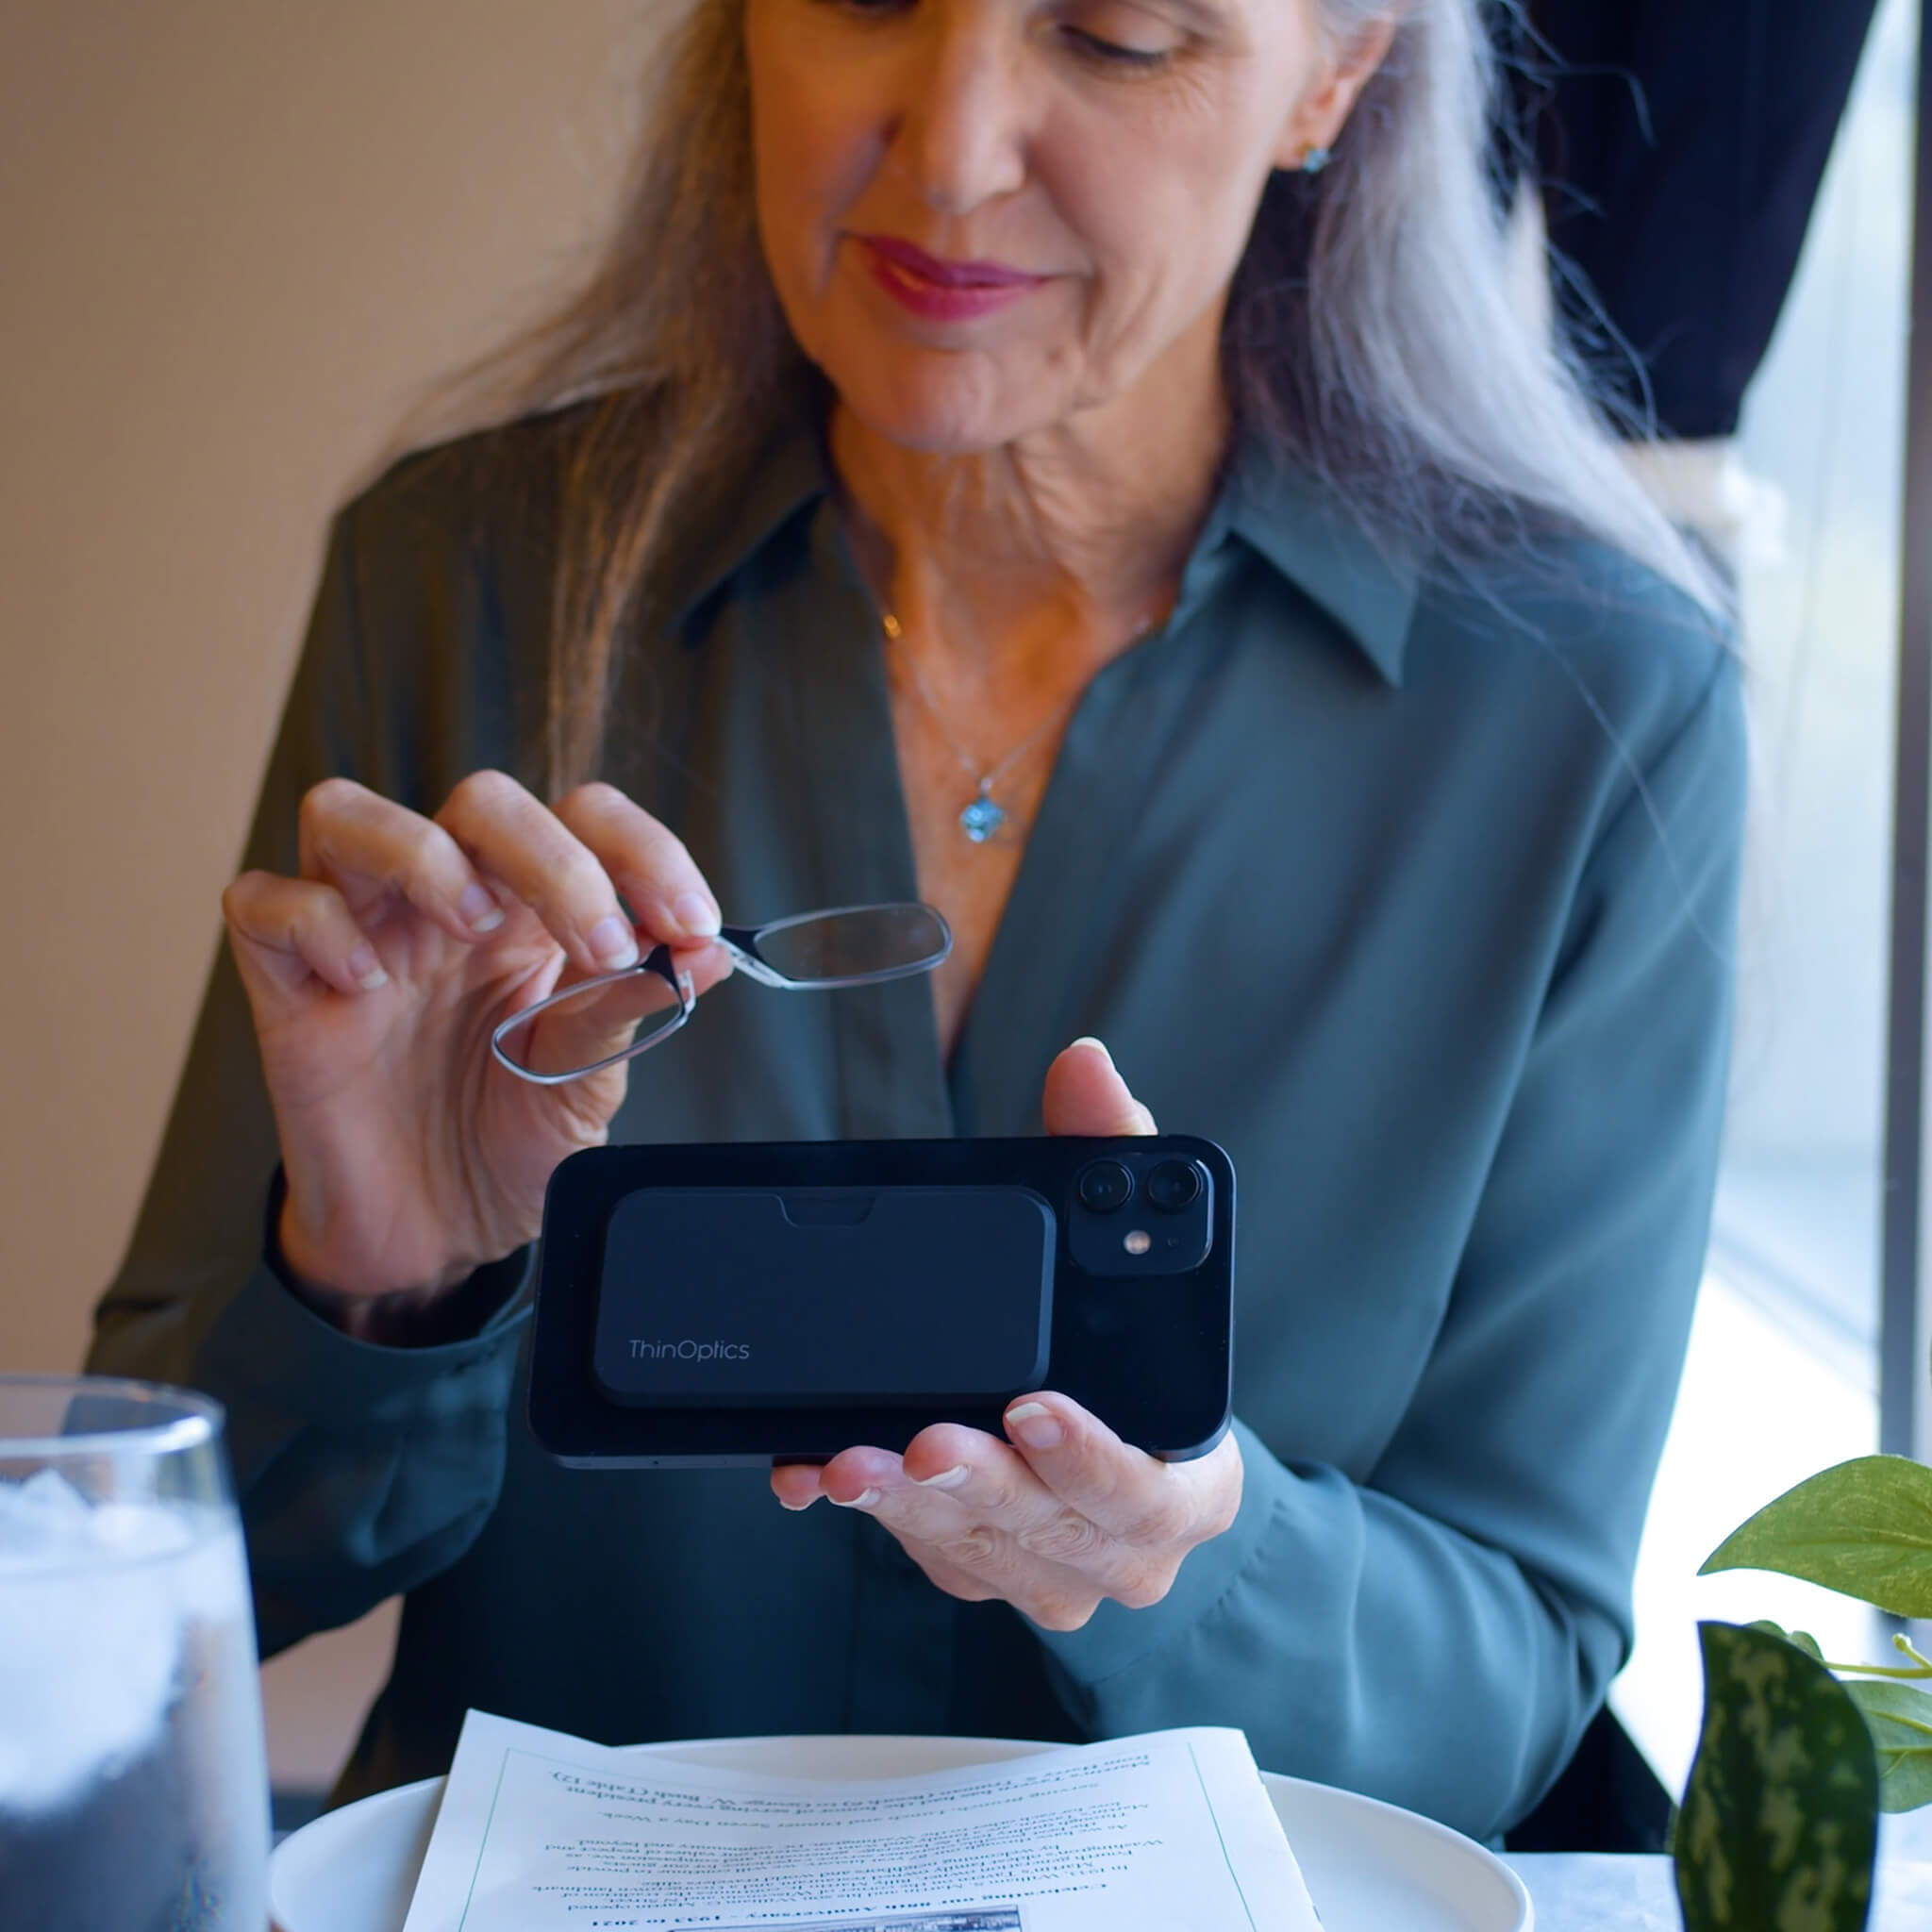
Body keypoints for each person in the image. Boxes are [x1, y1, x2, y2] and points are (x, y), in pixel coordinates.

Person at [89, 0, 1747, 1845]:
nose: (951, 155)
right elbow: (136, 1599)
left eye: (1116, 34)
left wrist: (1194, 1552)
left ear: (1337, 74)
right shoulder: (454, 582)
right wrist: (372, 1293)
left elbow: (1507, 1688)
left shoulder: (1597, 713)